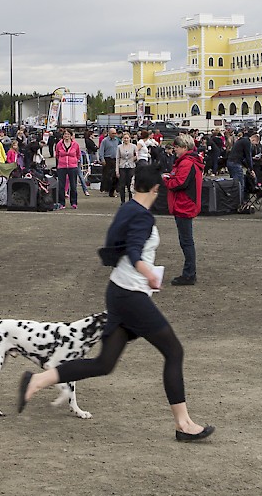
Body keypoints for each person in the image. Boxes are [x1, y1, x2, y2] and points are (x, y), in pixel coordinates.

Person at [17, 164, 214, 441]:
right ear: (156, 189)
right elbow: (134, 250)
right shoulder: (143, 217)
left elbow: (113, 249)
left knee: (104, 363)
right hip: (132, 296)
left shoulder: (125, 209)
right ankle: (183, 424)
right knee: (174, 352)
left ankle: (38, 380)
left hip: (118, 291)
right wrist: (148, 273)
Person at [164, 133, 202, 286]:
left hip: (184, 204)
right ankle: (189, 272)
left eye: (177, 148)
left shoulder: (186, 163)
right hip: (185, 204)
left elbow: (180, 183)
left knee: (186, 241)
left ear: (184, 147)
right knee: (186, 240)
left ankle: (189, 274)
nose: (175, 150)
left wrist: (167, 180)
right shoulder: (189, 162)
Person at [54, 129, 83, 210]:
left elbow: (78, 155)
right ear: (63, 136)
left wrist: (74, 162)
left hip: (72, 166)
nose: (66, 136)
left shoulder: (75, 144)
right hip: (62, 167)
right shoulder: (59, 144)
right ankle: (61, 203)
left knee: (73, 185)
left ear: (71, 135)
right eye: (65, 134)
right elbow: (57, 154)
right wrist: (61, 161)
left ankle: (74, 202)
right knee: (61, 186)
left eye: (68, 134)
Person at [227, 129, 257, 199]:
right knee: (240, 185)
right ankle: (240, 202)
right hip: (236, 164)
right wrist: (251, 169)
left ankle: (233, 200)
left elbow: (243, 158)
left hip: (230, 162)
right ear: (253, 140)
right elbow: (248, 156)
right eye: (254, 144)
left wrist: (248, 168)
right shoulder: (248, 142)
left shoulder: (241, 141)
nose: (254, 146)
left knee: (234, 184)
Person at [98, 127, 121, 197]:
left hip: (115, 159)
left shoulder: (117, 140)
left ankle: (114, 189)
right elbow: (101, 151)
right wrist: (102, 160)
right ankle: (105, 188)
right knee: (106, 175)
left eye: (115, 133)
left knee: (115, 175)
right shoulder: (105, 141)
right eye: (113, 133)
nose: (114, 134)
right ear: (109, 133)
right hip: (107, 159)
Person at [116, 131, 137, 203]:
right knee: (122, 185)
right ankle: (122, 201)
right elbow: (117, 158)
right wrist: (117, 170)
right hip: (122, 167)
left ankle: (131, 201)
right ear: (122, 139)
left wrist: (134, 158)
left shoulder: (134, 146)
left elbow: (137, 155)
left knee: (130, 185)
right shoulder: (119, 147)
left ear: (130, 138)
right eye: (124, 138)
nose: (126, 139)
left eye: (127, 138)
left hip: (131, 167)